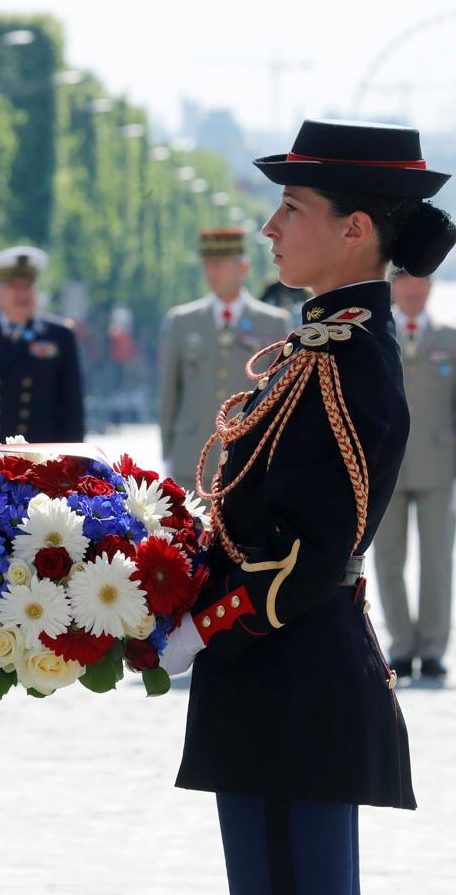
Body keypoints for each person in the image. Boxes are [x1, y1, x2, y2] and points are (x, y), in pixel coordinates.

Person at [159, 119, 456, 894]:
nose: (269, 227)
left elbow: (306, 550)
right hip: (270, 687)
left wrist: (200, 626)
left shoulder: (350, 361)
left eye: (291, 208)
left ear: (355, 230)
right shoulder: (321, 345)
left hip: (290, 684)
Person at [158, 229, 293, 493]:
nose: (212, 273)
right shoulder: (182, 321)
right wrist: (168, 451)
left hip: (248, 458)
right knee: (191, 534)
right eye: (208, 265)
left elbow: (282, 395)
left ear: (243, 267)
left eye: (220, 265)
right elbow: (170, 392)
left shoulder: (274, 322)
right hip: (191, 457)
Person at [374, 269, 455, 681]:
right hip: (387, 465)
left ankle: (434, 647)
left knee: (438, 561)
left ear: (430, 287)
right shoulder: (376, 335)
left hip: (438, 465)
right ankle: (402, 645)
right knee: (388, 560)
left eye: (422, 281)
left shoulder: (448, 337)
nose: (414, 290)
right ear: (394, 287)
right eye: (405, 281)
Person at [0, 246, 84, 444]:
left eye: (28, 285)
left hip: (40, 460)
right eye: (14, 286)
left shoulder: (59, 336)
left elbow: (72, 408)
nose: (23, 294)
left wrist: (73, 464)